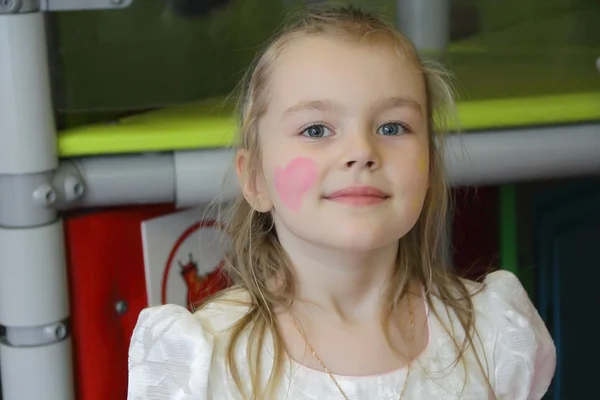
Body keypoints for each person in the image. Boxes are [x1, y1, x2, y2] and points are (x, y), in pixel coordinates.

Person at [127, 6, 556, 399]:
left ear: (429, 168)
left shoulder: (492, 336)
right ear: (255, 178)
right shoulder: (203, 358)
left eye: (392, 127)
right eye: (316, 130)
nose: (362, 150)